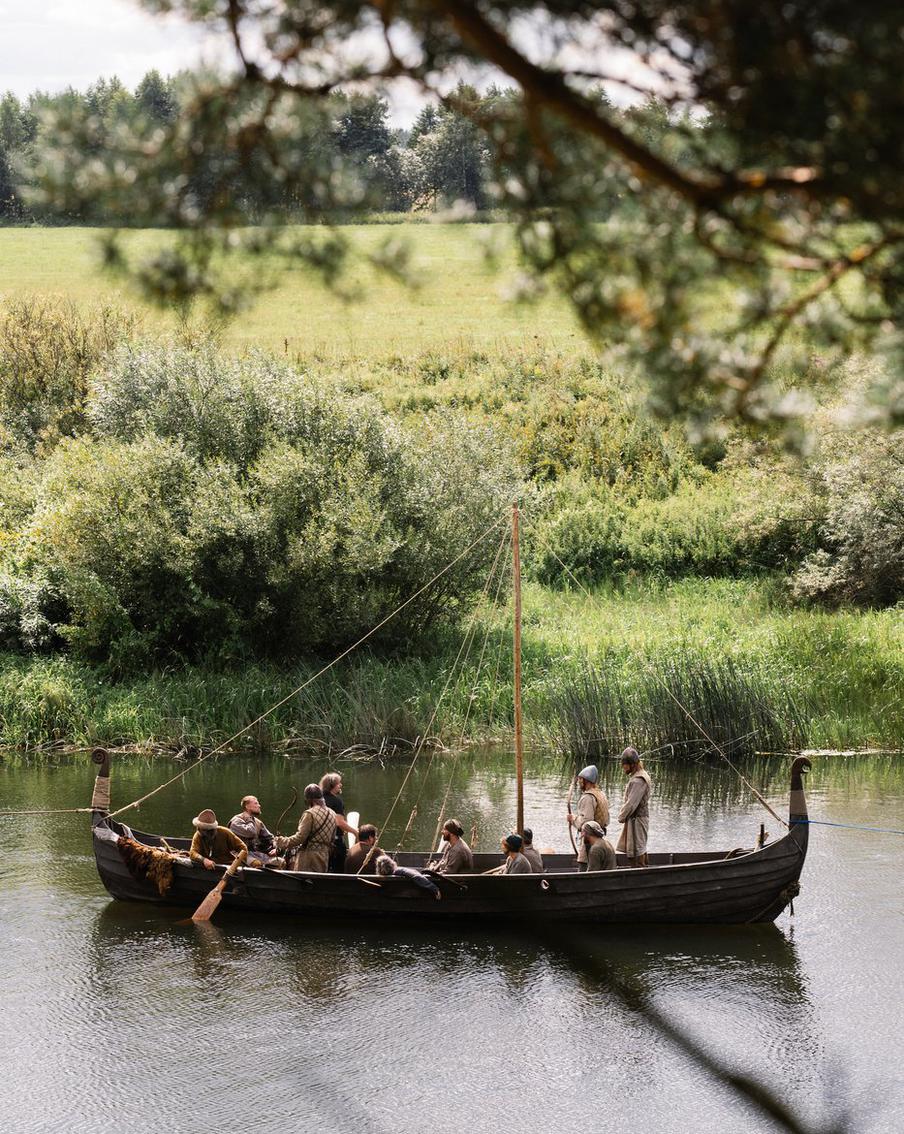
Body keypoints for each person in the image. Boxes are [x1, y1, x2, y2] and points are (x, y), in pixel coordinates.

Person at [275, 784, 337, 873]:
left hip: (308, 858)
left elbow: (300, 838)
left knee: (304, 883)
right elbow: (332, 839)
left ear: (309, 800)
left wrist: (280, 841)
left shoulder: (309, 814)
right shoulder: (333, 813)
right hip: (324, 856)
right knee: (318, 882)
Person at [566, 764, 610, 870]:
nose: (579, 782)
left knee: (584, 863)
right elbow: (607, 819)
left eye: (581, 780)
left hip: (590, 838)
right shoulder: (601, 794)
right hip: (600, 836)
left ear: (587, 781)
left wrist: (573, 819)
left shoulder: (588, 797)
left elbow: (587, 822)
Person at [617, 747, 652, 867]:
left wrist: (621, 816)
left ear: (632, 765)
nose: (623, 767)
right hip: (635, 819)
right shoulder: (639, 776)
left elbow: (631, 804)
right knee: (636, 849)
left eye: (625, 765)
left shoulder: (639, 780)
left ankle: (640, 875)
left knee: (637, 850)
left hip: (638, 820)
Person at [320, 771, 358, 873]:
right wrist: (355, 832)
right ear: (332, 786)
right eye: (338, 783)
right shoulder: (337, 801)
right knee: (339, 869)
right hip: (335, 844)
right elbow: (339, 822)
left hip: (321, 843)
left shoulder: (319, 800)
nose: (341, 785)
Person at [228, 795, 277, 867]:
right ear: (247, 806)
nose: (259, 806)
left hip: (255, 854)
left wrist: (276, 848)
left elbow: (270, 838)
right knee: (256, 863)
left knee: (280, 862)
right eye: (256, 803)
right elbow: (251, 832)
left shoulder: (258, 822)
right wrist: (249, 818)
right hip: (238, 854)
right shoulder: (236, 822)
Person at [374, 854, 441, 899]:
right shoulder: (398, 871)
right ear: (391, 863)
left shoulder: (383, 877)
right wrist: (434, 888)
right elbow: (416, 876)